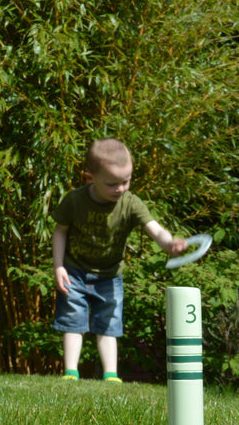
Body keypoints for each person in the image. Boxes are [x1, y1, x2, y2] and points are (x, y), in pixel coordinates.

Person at [52, 138, 188, 383]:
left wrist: (169, 244)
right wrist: (59, 266)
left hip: (110, 275)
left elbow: (154, 229)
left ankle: (111, 375)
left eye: (126, 181)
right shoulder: (75, 200)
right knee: (73, 321)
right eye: (112, 183)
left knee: (109, 323)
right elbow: (60, 230)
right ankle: (70, 372)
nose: (121, 188)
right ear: (89, 177)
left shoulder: (130, 203)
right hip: (75, 270)